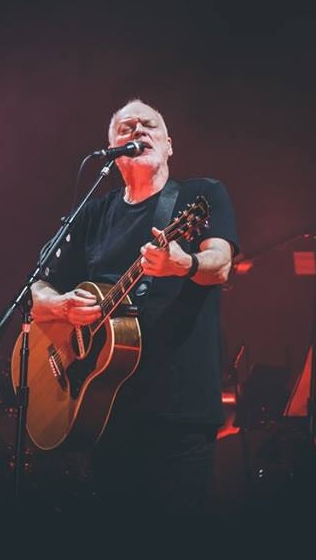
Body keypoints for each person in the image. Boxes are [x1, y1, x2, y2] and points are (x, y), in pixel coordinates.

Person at [29, 98, 240, 536]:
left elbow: (220, 264)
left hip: (178, 415)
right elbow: (36, 289)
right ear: (111, 150)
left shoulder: (201, 196)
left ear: (168, 145)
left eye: (150, 126)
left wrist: (184, 264)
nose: (138, 131)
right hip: (104, 411)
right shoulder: (95, 210)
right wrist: (63, 307)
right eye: (126, 128)